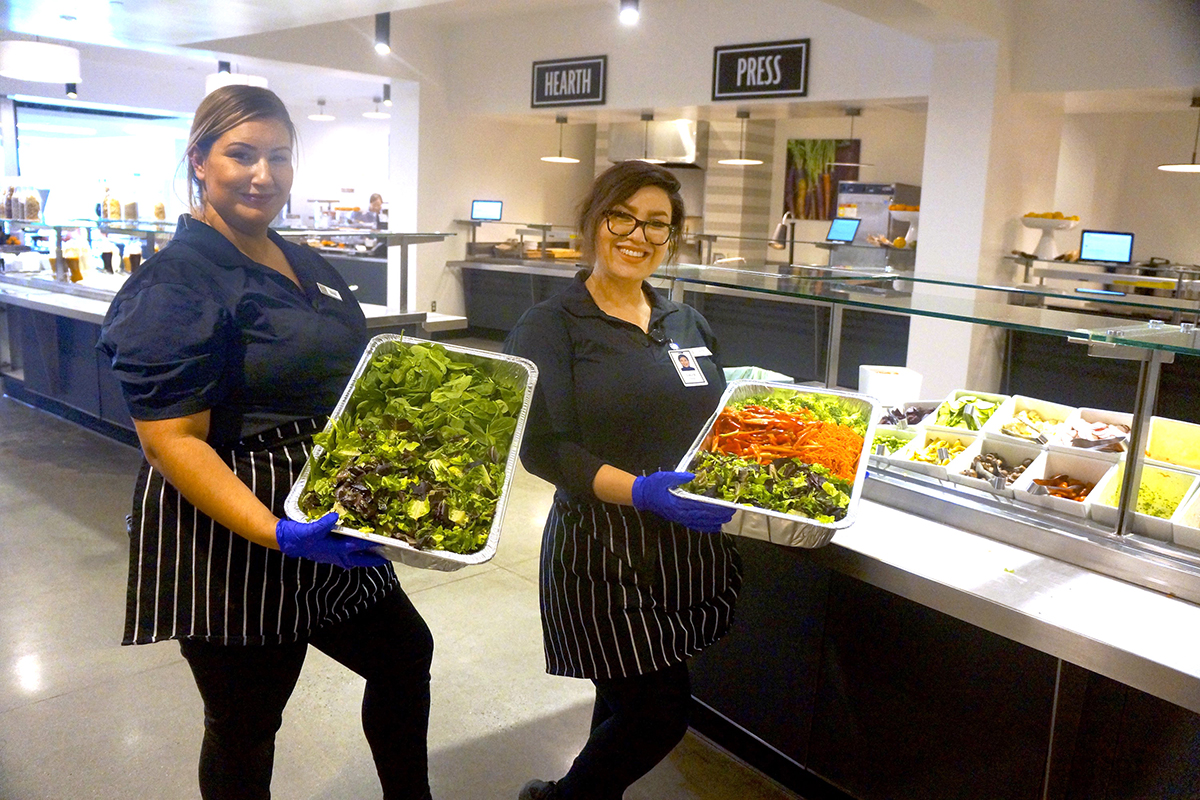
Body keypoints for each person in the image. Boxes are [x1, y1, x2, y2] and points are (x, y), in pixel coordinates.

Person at [96, 85, 433, 800]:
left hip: (323, 510)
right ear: (199, 161)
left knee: (405, 654)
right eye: (241, 154)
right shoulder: (176, 281)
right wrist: (278, 532)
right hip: (233, 532)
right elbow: (171, 444)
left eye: (278, 156)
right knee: (247, 724)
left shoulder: (298, 257)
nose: (263, 174)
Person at [503, 160, 742, 800]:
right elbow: (546, 450)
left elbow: (712, 417)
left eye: (658, 224)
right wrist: (638, 489)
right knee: (659, 711)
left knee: (623, 695)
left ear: (674, 236)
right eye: (624, 217)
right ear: (594, 221)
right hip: (601, 551)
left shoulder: (685, 322)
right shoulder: (550, 324)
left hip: (682, 552)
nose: (639, 235)